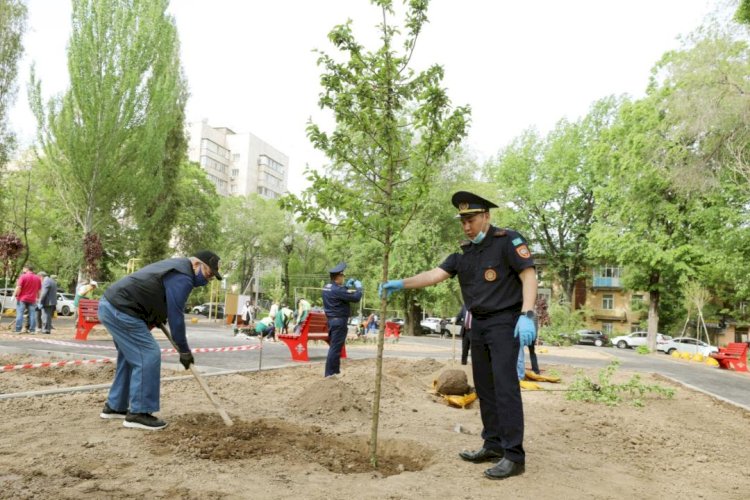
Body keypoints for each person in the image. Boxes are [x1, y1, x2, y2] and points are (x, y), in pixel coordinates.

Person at [379, 191, 537, 480]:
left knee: (505, 389)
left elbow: (528, 274)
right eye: (463, 221)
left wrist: (527, 314)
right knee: (486, 389)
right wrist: (399, 283)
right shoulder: (464, 254)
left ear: (486, 216)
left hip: (505, 324)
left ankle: (514, 456)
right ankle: (493, 445)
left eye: (472, 219)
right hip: (478, 326)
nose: (467, 226)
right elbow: (433, 275)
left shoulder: (508, 241)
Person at [97, 250, 222, 430]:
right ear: (196, 264)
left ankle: (115, 406)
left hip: (113, 306)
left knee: (130, 356)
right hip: (121, 309)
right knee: (149, 354)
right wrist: (184, 350)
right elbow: (176, 317)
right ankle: (139, 413)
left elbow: (155, 295)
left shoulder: (175, 268)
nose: (207, 280)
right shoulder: (183, 276)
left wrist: (155, 316)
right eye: (208, 274)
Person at [321, 262, 362, 377]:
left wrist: (346, 287)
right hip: (339, 322)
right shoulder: (338, 290)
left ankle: (335, 371)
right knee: (335, 349)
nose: (344, 278)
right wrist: (359, 288)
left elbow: (339, 294)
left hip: (331, 321)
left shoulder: (326, 288)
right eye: (343, 276)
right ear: (338, 277)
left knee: (335, 347)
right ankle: (330, 373)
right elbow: (356, 298)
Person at [14, 264, 42, 334]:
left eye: (23, 268)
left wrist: (15, 295)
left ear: (26, 268)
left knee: (20, 314)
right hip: (32, 299)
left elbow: (19, 287)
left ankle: (18, 329)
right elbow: (39, 290)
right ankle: (32, 330)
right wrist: (38, 298)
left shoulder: (23, 276)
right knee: (32, 314)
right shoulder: (37, 278)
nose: (23, 270)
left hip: (22, 298)